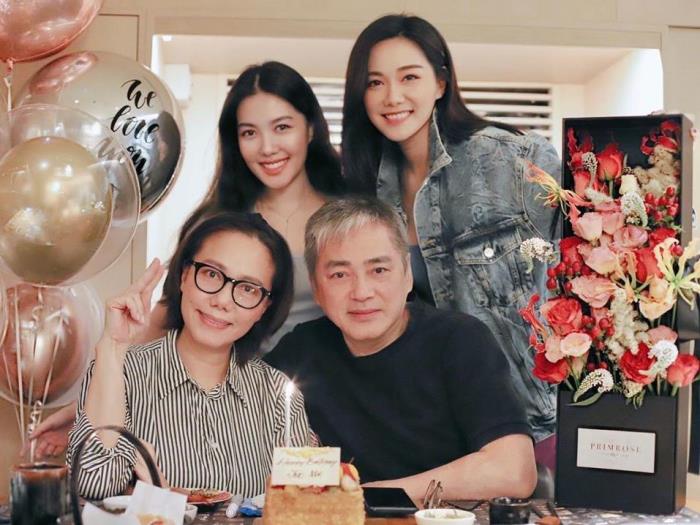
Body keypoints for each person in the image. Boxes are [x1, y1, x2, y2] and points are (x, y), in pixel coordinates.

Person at [30, 61, 344, 458]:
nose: (267, 147)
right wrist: (87, 405)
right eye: (249, 132)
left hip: (328, 396)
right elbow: (167, 315)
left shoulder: (346, 218)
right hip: (232, 408)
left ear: (311, 128)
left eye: (282, 127)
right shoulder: (216, 222)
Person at [341, 15, 561, 452]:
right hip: (434, 433)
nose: (392, 97)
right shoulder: (366, 191)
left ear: (441, 83)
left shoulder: (514, 160)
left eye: (409, 77)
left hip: (532, 422)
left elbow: (606, 244)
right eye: (375, 82)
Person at [265, 197, 536, 502]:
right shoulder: (300, 351)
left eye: (379, 270)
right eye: (340, 275)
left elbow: (514, 472)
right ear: (316, 287)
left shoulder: (459, 341)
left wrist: (373, 496)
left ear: (407, 274)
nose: (362, 292)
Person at [66, 212, 312, 500]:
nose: (222, 300)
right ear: (184, 276)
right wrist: (113, 346)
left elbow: (303, 506)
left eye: (247, 289)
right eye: (212, 274)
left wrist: (163, 498)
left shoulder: (278, 395)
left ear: (264, 308)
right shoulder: (121, 371)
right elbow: (93, 484)